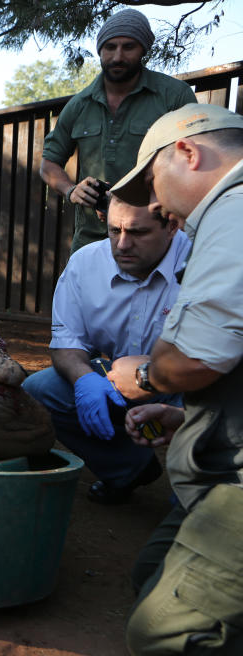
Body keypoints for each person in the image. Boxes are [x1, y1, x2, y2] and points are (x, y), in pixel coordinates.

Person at [102, 104, 243, 654]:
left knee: (165, 633)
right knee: (151, 574)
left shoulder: (233, 209)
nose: (157, 203)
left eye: (154, 184)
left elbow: (192, 360)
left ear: (188, 152)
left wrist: (144, 376)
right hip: (219, 452)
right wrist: (187, 416)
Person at [22, 195, 189, 504]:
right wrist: (84, 379)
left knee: (191, 511)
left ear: (172, 227)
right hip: (118, 382)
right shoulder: (86, 263)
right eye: (115, 230)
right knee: (40, 390)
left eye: (138, 233)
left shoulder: (204, 264)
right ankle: (129, 468)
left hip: (196, 386)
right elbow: (67, 342)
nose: (122, 244)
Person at [39, 8, 197, 253]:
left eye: (128, 47)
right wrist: (71, 190)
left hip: (156, 239)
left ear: (144, 49)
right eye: (110, 47)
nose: (118, 56)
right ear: (100, 50)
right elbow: (49, 163)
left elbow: (192, 162)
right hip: (91, 241)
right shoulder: (79, 105)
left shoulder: (174, 96)